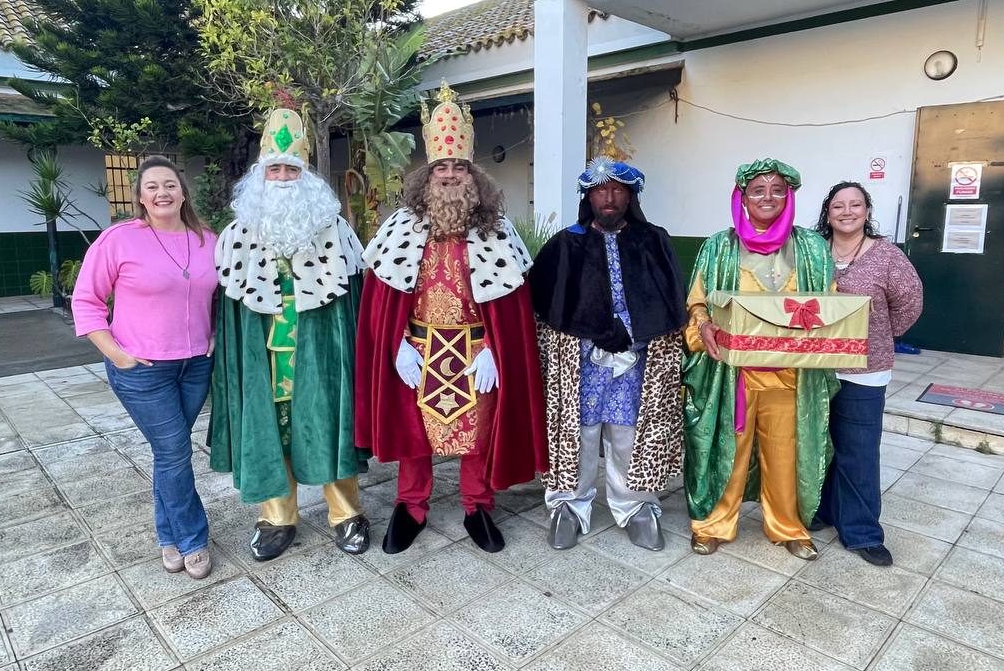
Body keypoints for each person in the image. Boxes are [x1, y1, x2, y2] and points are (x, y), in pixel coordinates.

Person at [354, 80, 547, 555]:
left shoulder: (497, 232)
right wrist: (395, 344)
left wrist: (497, 352)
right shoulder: (399, 228)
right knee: (413, 433)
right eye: (441, 166)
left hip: (477, 352)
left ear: (472, 174)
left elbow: (514, 307)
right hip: (416, 350)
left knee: (478, 435)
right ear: (427, 173)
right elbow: (380, 298)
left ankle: (477, 505)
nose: (449, 175)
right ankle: (411, 506)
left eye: (458, 167)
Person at [208, 107, 371, 561]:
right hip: (265, 353)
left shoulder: (336, 229)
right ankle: (277, 518)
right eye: (274, 169)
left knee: (329, 422)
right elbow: (230, 311)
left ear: (306, 175)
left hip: (321, 350)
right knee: (271, 428)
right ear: (260, 175)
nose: (282, 178)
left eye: (291, 169)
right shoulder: (236, 234)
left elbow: (354, 303)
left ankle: (346, 513)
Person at [529, 157, 687, 552]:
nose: (609, 198)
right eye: (601, 190)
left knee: (627, 432)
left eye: (618, 190)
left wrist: (633, 333)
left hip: (637, 360)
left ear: (631, 196)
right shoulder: (566, 243)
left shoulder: (653, 240)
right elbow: (544, 303)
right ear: (589, 197)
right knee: (578, 433)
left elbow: (671, 300)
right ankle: (567, 505)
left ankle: (636, 507)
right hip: (579, 362)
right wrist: (592, 330)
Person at [683, 159, 837, 560]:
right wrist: (703, 324)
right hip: (732, 373)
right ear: (743, 198)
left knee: (785, 454)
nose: (768, 197)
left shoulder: (812, 248)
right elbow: (697, 301)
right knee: (728, 453)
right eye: (758, 190)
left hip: (791, 374)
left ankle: (788, 527)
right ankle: (713, 524)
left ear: (789, 197)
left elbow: (829, 303)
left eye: (777, 190)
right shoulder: (719, 246)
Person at [72, 156, 217, 580]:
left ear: (183, 193)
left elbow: (222, 295)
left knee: (168, 453)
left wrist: (214, 334)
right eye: (151, 186)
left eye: (169, 184)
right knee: (175, 452)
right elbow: (86, 301)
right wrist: (117, 354)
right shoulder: (119, 240)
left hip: (195, 366)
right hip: (143, 369)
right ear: (140, 196)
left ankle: (167, 535)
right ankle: (192, 539)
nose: (161, 193)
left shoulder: (208, 240)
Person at [813, 181, 922, 566]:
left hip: (865, 369)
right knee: (818, 445)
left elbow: (910, 303)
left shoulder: (887, 256)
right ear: (828, 213)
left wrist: (879, 335)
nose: (847, 212)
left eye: (855, 205)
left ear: (867, 211)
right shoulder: (813, 252)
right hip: (815, 365)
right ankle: (823, 510)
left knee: (858, 451)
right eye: (838, 206)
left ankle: (861, 532)